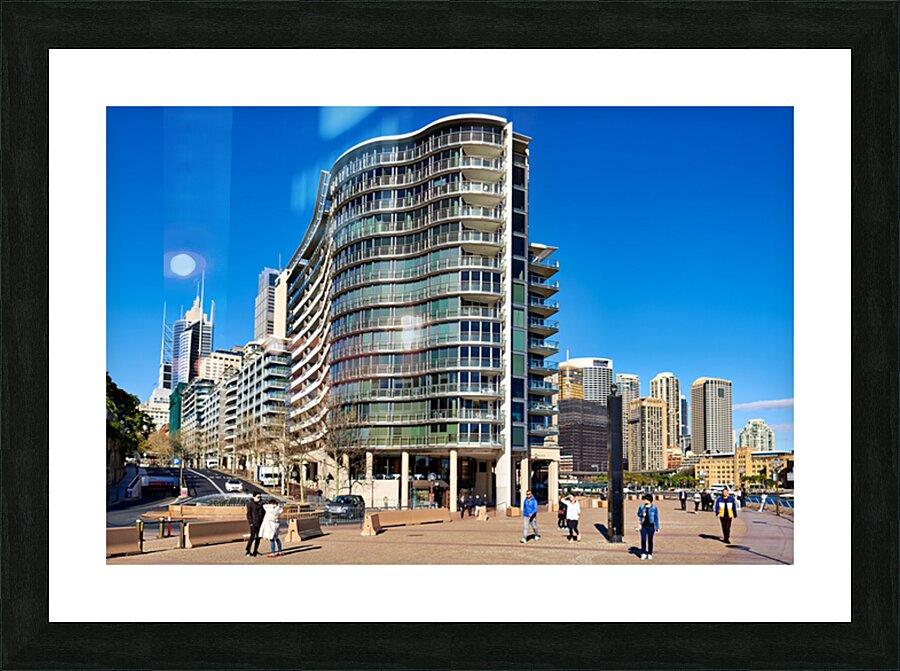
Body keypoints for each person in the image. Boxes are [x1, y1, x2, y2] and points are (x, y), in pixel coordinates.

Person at [637, 494, 660, 560]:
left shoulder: (654, 508)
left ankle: (650, 553)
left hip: (651, 526)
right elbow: (638, 514)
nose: (645, 500)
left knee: (650, 540)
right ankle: (643, 553)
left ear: (649, 500)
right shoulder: (641, 507)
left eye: (646, 499)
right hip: (643, 525)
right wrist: (641, 514)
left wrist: (657, 527)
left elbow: (656, 518)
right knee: (643, 540)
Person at [245, 492, 265, 557]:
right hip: (253, 523)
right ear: (254, 497)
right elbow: (248, 514)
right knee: (252, 537)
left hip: (260, 523)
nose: (259, 498)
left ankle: (255, 551)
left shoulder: (262, 504)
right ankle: (248, 550)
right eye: (258, 497)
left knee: (258, 538)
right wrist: (251, 522)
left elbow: (264, 513)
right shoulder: (250, 504)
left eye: (260, 497)